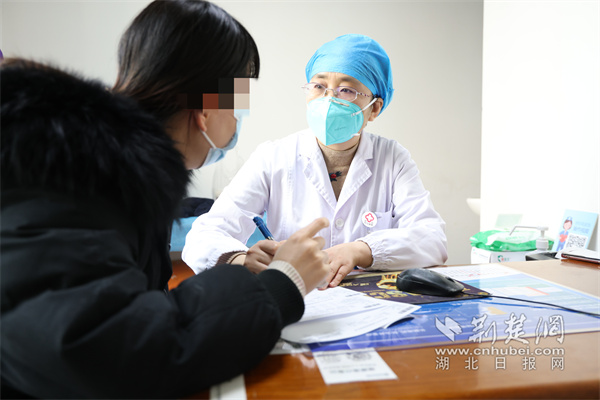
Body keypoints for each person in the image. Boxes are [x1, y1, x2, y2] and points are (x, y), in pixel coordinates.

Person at [0, 1, 329, 398]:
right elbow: (117, 350)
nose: (239, 117)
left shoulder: (117, 173)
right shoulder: (67, 174)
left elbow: (131, 306)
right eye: (238, 100)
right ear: (206, 108)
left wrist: (247, 272)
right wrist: (281, 284)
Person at [183, 34, 448, 287]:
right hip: (295, 297)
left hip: (373, 301)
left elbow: (432, 239)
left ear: (375, 108)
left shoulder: (392, 158)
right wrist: (241, 259)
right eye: (319, 86)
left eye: (346, 90)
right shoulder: (274, 156)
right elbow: (205, 235)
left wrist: (361, 250)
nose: (328, 99)